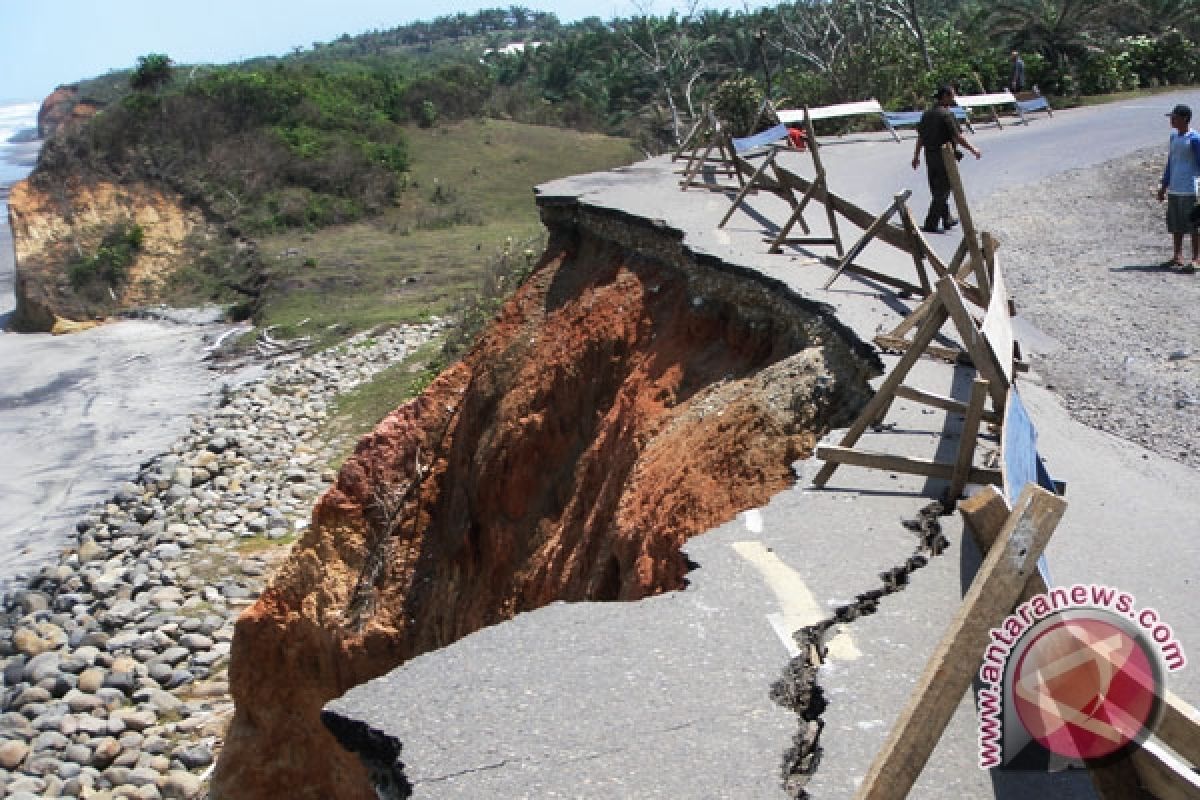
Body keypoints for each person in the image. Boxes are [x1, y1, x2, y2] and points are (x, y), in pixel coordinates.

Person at [911, 86, 981, 234]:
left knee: (937, 188)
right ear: (944, 97)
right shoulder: (946, 115)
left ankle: (947, 218)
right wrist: (973, 149)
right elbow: (958, 137)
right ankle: (931, 223)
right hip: (945, 156)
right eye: (951, 96)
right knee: (943, 190)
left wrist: (916, 156)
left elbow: (921, 138)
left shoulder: (927, 114)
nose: (953, 99)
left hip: (930, 156)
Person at [1157, 103, 1200, 273]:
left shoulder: (1194, 139)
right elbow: (1171, 162)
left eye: (1174, 117)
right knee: (1175, 224)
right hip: (1175, 187)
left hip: (1190, 187)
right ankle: (1177, 255)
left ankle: (1196, 258)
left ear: (1184, 119)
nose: (1171, 120)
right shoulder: (1174, 137)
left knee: (1193, 224)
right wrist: (1164, 186)